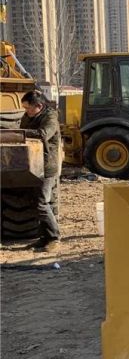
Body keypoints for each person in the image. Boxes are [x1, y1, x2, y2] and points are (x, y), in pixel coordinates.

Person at [19, 90, 61, 252]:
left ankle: (54, 238)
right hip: (32, 165)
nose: (26, 112)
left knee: (42, 204)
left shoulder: (50, 117)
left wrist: (20, 134)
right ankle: (44, 238)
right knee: (38, 203)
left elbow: (44, 134)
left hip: (47, 166)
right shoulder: (28, 116)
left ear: (39, 106)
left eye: (28, 108)